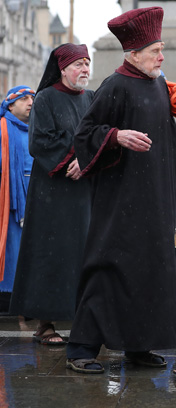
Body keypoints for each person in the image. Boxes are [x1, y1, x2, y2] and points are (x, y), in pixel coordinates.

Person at [65, 6, 176, 374]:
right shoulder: (115, 85)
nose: (162, 56)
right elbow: (85, 133)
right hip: (121, 199)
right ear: (133, 54)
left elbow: (168, 133)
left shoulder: (157, 83)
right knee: (109, 267)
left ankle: (138, 347)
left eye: (161, 49)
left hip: (155, 198)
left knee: (149, 271)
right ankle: (81, 348)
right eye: (155, 50)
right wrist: (115, 136)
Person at [9, 44, 94, 345]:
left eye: (87, 63)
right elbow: (40, 141)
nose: (84, 69)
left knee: (84, 254)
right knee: (51, 254)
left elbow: (98, 135)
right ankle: (45, 325)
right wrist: (74, 155)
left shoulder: (91, 99)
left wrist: (86, 159)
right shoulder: (45, 98)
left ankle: (87, 322)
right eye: (78, 64)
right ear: (62, 69)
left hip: (84, 190)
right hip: (53, 194)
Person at [0, 86, 35, 311]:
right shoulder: (2, 129)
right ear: (11, 105)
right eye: (24, 99)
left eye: (32, 98)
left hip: (34, 198)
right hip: (8, 200)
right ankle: (7, 297)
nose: (30, 102)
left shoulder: (36, 129)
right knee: (11, 246)